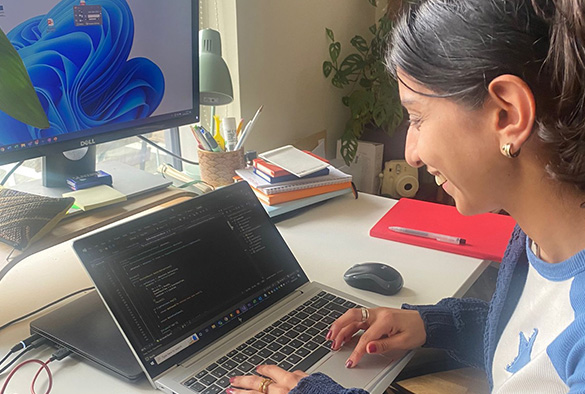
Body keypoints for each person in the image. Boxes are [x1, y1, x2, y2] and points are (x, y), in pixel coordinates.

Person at [228, 0, 585, 392]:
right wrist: (431, 325)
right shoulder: (541, 237)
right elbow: (527, 341)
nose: (411, 152)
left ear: (507, 115)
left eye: (416, 118)